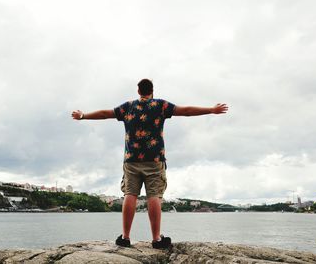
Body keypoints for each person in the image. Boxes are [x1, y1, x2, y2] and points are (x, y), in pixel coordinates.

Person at [71, 79, 228, 249]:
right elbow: (187, 111)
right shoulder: (160, 105)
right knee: (154, 196)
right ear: (152, 90)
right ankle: (156, 239)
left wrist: (83, 116)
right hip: (154, 159)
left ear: (138, 91)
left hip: (131, 160)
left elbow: (104, 114)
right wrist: (211, 110)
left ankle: (125, 237)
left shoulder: (128, 107)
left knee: (130, 194)